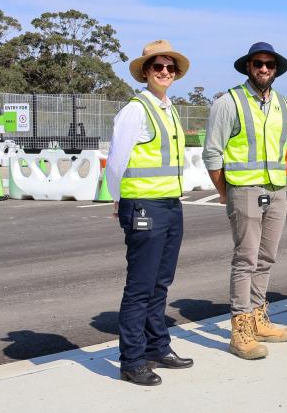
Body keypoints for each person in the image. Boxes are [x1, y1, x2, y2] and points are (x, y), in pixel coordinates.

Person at [107, 39, 193, 386]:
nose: (164, 72)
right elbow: (116, 161)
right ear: (145, 72)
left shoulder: (168, 108)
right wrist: (119, 199)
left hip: (171, 205)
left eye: (170, 68)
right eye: (157, 67)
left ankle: (158, 346)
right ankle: (132, 359)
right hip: (145, 206)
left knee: (160, 283)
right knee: (140, 287)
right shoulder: (136, 110)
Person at [203, 42, 287, 360]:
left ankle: (257, 317)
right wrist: (226, 192)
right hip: (244, 190)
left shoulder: (284, 104)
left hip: (276, 190)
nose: (264, 69)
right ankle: (240, 328)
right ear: (248, 67)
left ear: (276, 69)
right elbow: (212, 152)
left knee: (266, 258)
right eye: (258, 63)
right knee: (246, 260)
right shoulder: (229, 102)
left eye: (270, 64)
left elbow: (281, 148)